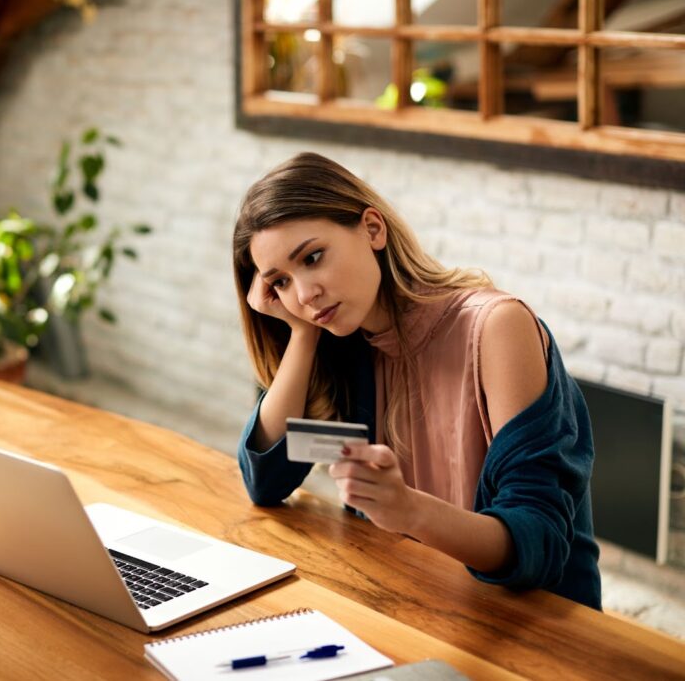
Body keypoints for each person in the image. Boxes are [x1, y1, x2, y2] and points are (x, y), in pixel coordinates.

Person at [233, 152, 601, 609]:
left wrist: (408, 510)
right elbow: (265, 482)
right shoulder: (344, 339)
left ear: (372, 229)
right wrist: (303, 333)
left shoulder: (496, 327)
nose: (305, 294)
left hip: (535, 629)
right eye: (281, 283)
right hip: (414, 604)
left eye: (312, 257)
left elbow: (539, 544)